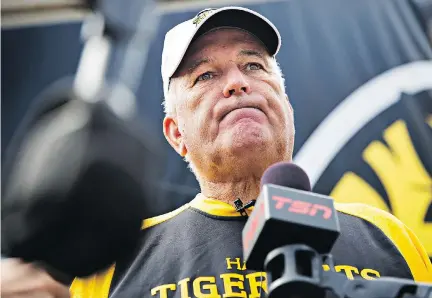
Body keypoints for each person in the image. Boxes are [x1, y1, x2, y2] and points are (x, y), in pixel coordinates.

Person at [2, 6, 431, 298]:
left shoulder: (388, 235)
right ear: (176, 135)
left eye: (254, 66)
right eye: (206, 75)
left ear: (286, 107)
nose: (237, 83)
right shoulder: (112, 260)